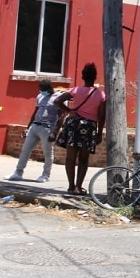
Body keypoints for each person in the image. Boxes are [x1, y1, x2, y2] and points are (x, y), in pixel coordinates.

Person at [53, 63, 107, 195]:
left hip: (73, 124)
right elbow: (102, 116)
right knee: (84, 159)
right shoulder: (101, 95)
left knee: (70, 158)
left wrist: (69, 111)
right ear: (95, 78)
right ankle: (78, 187)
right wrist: (99, 133)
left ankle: (71, 186)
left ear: (83, 77)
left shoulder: (75, 90)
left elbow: (57, 101)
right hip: (89, 127)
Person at [7, 80, 61, 182]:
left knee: (48, 153)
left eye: (44, 90)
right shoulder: (40, 96)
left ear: (50, 89)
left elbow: (61, 116)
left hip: (48, 127)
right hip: (35, 126)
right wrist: (28, 127)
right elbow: (35, 112)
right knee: (25, 150)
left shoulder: (58, 98)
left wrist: (55, 132)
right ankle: (18, 172)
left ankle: (45, 175)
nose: (42, 92)